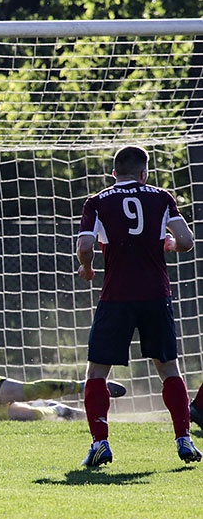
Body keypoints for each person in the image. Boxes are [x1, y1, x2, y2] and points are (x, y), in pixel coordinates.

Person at [76, 145, 200, 467]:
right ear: (144, 173)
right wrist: (171, 245)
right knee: (168, 367)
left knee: (97, 372)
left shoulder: (97, 202)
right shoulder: (161, 197)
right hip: (155, 295)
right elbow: (186, 242)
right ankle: (183, 439)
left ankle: (100, 442)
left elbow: (85, 244)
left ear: (114, 173)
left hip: (116, 297)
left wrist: (88, 267)